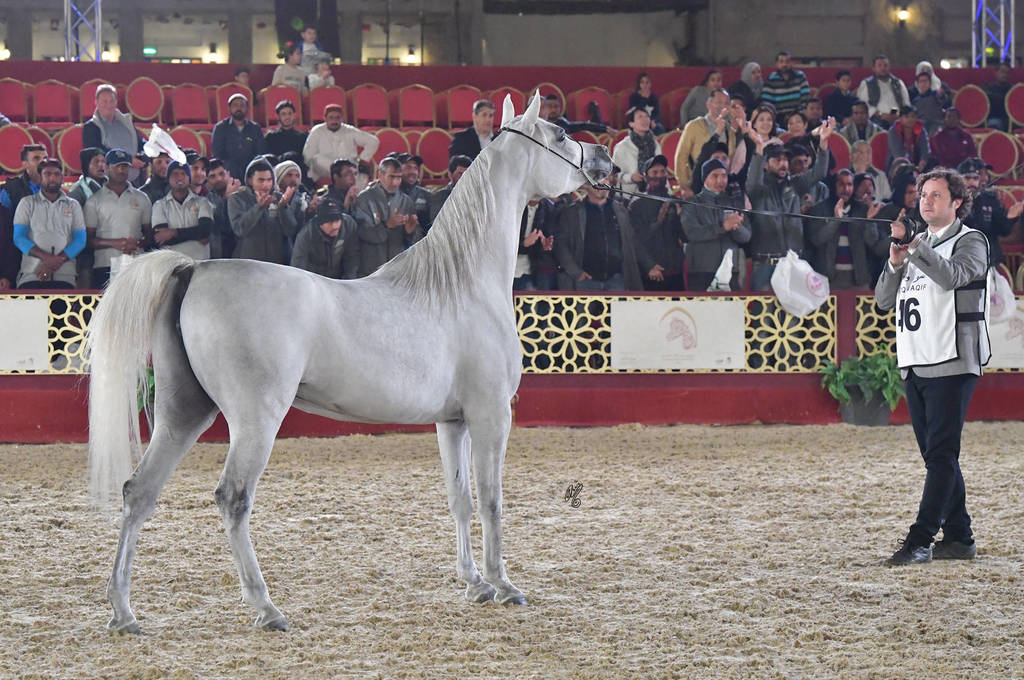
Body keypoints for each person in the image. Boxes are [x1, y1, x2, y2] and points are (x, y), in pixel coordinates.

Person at [875, 168, 990, 566]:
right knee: (937, 457)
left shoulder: (971, 240)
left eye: (937, 195)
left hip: (952, 359)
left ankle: (920, 539)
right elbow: (883, 301)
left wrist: (915, 249)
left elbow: (955, 277)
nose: (926, 201)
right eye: (923, 195)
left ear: (957, 202)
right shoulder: (915, 244)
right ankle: (959, 537)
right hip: (916, 359)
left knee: (940, 454)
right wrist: (894, 260)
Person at [744, 117, 835, 290]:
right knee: (763, 316)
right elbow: (752, 181)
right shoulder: (758, 190)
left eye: (785, 159)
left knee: (793, 316)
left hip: (794, 263)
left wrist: (823, 142)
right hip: (765, 264)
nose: (783, 163)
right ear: (765, 164)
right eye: (777, 160)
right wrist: (758, 149)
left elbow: (820, 172)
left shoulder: (794, 183)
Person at [555, 182, 661, 291]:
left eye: (606, 179)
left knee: (619, 308)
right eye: (599, 180)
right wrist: (576, 272)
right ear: (587, 185)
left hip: (616, 279)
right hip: (584, 280)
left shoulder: (620, 211)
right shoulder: (572, 213)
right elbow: (561, 245)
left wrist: (649, 265)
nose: (603, 184)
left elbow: (632, 240)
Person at [12, 158, 86, 289]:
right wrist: (47, 258)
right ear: (40, 177)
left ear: (62, 177)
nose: (52, 178)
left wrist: (56, 262)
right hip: (32, 274)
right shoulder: (27, 203)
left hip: (65, 276)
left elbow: (80, 240)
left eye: (57, 174)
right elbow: (19, 238)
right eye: (47, 174)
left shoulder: (73, 205)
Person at [804, 169, 886, 289]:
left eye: (849, 185)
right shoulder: (819, 210)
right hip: (827, 279)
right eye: (841, 184)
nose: (846, 189)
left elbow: (872, 242)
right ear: (834, 186)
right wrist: (836, 220)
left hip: (859, 279)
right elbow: (817, 240)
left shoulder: (863, 210)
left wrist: (870, 221)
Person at [84, 149, 151, 288]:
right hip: (104, 264)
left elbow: (150, 235)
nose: (121, 170)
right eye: (117, 166)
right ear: (107, 168)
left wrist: (137, 243)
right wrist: (115, 243)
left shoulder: (142, 198)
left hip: (135, 262)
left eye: (125, 166)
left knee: (134, 307)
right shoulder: (94, 201)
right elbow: (88, 241)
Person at [679, 158, 750, 291]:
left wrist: (736, 228)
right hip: (702, 271)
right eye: (715, 176)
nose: (720, 181)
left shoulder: (734, 202)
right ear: (705, 178)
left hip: (730, 270)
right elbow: (693, 234)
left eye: (724, 176)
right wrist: (723, 227)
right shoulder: (692, 203)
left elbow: (746, 237)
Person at [353, 156, 423, 276]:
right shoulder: (364, 199)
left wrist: (410, 232)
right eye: (392, 177)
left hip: (397, 269)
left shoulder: (406, 201)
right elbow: (361, 233)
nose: (396, 182)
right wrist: (387, 225)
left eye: (399, 177)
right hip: (371, 268)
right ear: (380, 175)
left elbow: (416, 239)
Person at [228, 158, 301, 264]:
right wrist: (259, 207)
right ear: (249, 180)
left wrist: (283, 208)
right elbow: (239, 229)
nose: (266, 185)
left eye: (269, 180)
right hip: (250, 263)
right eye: (261, 180)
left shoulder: (279, 198)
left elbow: (290, 230)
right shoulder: (237, 198)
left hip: (277, 264)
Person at [629, 155, 686, 291]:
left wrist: (681, 218)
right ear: (646, 176)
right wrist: (649, 266)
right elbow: (636, 241)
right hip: (650, 273)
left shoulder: (675, 202)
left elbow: (685, 237)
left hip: (674, 271)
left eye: (662, 172)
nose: (659, 176)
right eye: (654, 172)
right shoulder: (637, 206)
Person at [959, 157, 1022, 268]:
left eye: (975, 178)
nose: (972, 183)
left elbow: (1003, 231)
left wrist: (1010, 218)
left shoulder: (989, 199)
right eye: (967, 178)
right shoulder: (951, 203)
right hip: (962, 261)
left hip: (990, 260)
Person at [151, 160, 214, 261]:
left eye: (183, 174)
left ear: (189, 178)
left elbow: (205, 232)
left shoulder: (203, 202)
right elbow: (162, 240)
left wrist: (173, 233)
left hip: (200, 264)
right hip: (171, 265)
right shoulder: (159, 205)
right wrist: (195, 234)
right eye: (175, 174)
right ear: (168, 178)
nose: (179, 177)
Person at [302, 103, 380, 183]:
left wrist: (363, 159)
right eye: (331, 118)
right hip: (325, 168)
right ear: (325, 118)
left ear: (342, 118)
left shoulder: (349, 130)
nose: (334, 121)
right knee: (317, 160)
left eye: (337, 118)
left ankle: (355, 193)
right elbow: (308, 154)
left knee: (363, 174)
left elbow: (373, 141)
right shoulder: (317, 131)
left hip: (348, 167)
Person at [674, 89, 734, 193]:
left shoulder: (730, 130)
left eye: (726, 103)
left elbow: (732, 158)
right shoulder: (694, 126)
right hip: (698, 183)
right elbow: (681, 157)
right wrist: (684, 185)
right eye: (719, 102)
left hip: (722, 185)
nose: (723, 106)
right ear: (708, 104)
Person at [290, 197, 360, 279]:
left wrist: (348, 283)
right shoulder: (306, 235)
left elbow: (352, 258)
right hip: (315, 281)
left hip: (339, 281)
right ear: (320, 222)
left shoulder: (349, 225)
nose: (335, 226)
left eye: (337, 220)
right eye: (330, 221)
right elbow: (298, 268)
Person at [211, 93, 266, 185]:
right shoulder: (221, 127)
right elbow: (217, 153)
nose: (238, 108)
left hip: (250, 165)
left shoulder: (255, 128)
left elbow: (260, 151)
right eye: (235, 105)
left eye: (242, 105)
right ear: (229, 108)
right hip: (228, 167)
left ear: (247, 108)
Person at [613, 106, 662, 197]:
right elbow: (614, 175)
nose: (645, 119)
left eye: (647, 116)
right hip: (630, 195)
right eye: (640, 117)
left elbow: (662, 171)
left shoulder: (655, 144)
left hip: (654, 193)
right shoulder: (622, 147)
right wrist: (631, 177)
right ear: (631, 124)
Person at [82, 84, 145, 156]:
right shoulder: (91, 127)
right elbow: (97, 152)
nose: (109, 105)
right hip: (110, 166)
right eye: (105, 101)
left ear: (116, 102)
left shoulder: (126, 122)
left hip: (137, 165)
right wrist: (126, 159)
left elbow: (140, 143)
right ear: (96, 102)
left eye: (112, 101)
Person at [514, 198, 559, 291]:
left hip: (531, 270)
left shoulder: (548, 208)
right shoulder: (514, 204)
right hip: (508, 270)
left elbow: (547, 237)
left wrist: (544, 246)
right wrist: (523, 244)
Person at [856, 54, 910, 129]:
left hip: (898, 118)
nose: (883, 68)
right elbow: (863, 105)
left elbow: (906, 103)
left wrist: (900, 115)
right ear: (874, 68)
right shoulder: (867, 84)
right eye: (879, 65)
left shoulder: (898, 83)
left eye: (885, 65)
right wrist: (881, 114)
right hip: (877, 119)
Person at [204, 158, 242, 258]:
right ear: (206, 180)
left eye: (222, 174)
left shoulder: (241, 194)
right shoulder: (205, 199)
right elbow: (219, 225)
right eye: (213, 176)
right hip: (218, 252)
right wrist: (226, 199)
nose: (219, 179)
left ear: (228, 174)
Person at [761, 51, 810, 126]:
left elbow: (805, 99)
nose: (784, 64)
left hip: (798, 115)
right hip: (778, 117)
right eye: (781, 62)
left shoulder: (800, 76)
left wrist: (796, 115)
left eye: (787, 61)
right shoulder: (771, 79)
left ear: (792, 63)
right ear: (777, 64)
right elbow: (767, 103)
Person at [0, 144, 47, 214]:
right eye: (37, 158)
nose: (43, 162)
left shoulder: (54, 186)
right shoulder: (11, 189)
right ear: (25, 164)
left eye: (45, 158)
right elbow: (4, 220)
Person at [395, 153, 433, 232]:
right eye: (408, 167)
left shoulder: (426, 195)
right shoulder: (388, 194)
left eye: (415, 168)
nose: (413, 172)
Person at [541, 94, 614, 135]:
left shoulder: (563, 124)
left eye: (556, 106)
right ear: (544, 108)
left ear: (560, 108)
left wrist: (605, 129)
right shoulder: (540, 125)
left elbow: (584, 125)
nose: (553, 110)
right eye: (550, 106)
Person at [887, 105, 930, 172]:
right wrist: (910, 168)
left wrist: (922, 162)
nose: (910, 119)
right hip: (898, 164)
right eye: (906, 117)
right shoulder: (893, 131)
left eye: (913, 116)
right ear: (900, 118)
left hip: (917, 164)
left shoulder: (921, 130)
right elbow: (897, 154)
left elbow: (925, 149)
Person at [430, 154, 472, 222]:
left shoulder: (476, 194)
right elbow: (437, 224)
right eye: (460, 174)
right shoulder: (440, 196)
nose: (465, 178)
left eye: (468, 174)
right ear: (450, 175)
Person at [909, 72, 948, 136]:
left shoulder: (935, 94)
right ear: (918, 84)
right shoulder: (915, 101)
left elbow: (942, 98)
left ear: (930, 83)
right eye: (921, 81)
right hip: (921, 127)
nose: (923, 84)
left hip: (935, 125)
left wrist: (941, 94)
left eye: (925, 81)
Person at [984, 61, 1013, 131]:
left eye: (1007, 73)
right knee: (994, 123)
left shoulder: (1013, 89)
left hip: (1011, 120)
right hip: (994, 118)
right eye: (1002, 72)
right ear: (996, 73)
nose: (1005, 75)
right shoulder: (987, 88)